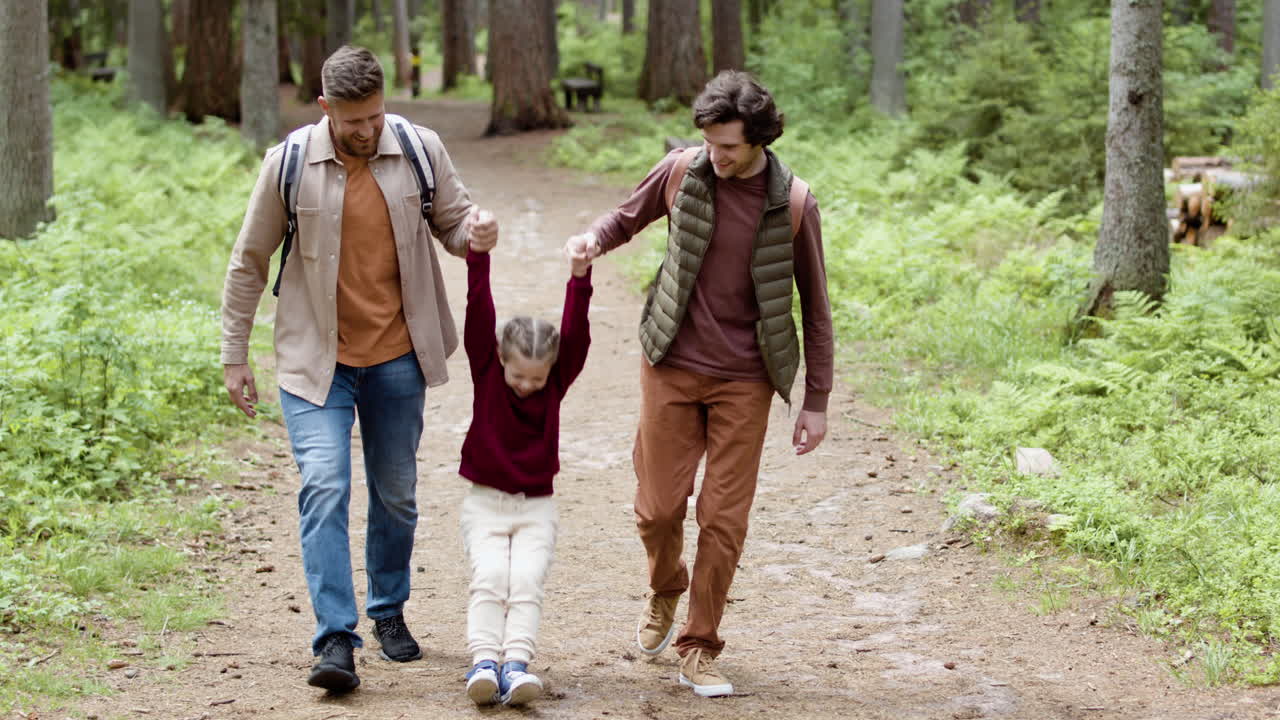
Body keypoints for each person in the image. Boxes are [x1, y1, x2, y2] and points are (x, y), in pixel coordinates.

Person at [220, 45, 498, 693]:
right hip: (314, 360)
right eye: (352, 121)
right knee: (324, 487)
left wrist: (476, 234)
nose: (366, 130)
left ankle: (388, 612)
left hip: (398, 356)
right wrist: (235, 353)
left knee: (396, 496)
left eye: (374, 116)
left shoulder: (419, 150)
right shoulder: (288, 164)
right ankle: (335, 638)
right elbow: (249, 261)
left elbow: (454, 224)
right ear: (325, 109)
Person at [565, 70, 834, 698]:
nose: (717, 156)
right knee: (658, 509)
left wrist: (815, 401)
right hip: (671, 362)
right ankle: (665, 586)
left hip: (745, 378)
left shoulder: (793, 202)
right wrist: (591, 241)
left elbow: (816, 308)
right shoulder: (684, 170)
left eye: (730, 147)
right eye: (711, 143)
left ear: (760, 139)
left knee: (723, 518)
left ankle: (701, 645)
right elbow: (626, 218)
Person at [456, 232, 594, 707]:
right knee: (491, 578)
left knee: (527, 582)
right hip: (485, 504)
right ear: (500, 360)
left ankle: (515, 665)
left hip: (536, 507)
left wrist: (580, 278)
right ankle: (483, 663)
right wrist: (478, 255)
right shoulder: (487, 371)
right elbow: (479, 312)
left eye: (537, 378)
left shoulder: (554, 382)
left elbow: (576, 334)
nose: (527, 386)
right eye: (519, 376)